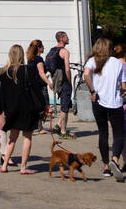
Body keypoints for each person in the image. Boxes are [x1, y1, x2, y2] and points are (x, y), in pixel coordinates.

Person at [83, 36, 126, 180]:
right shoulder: (119, 63)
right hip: (116, 103)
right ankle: (115, 159)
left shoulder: (92, 60)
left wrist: (92, 90)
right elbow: (124, 86)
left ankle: (106, 166)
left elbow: (86, 74)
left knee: (103, 133)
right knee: (119, 134)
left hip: (98, 101)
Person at [0, 44, 39, 174]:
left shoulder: (4, 72)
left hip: (12, 109)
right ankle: (23, 167)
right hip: (27, 108)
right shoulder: (26, 70)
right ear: (21, 55)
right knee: (27, 137)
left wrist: (4, 109)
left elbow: (2, 93)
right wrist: (44, 105)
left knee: (12, 138)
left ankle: (4, 165)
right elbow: (35, 89)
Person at [44, 31, 74, 139]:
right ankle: (63, 131)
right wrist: (70, 82)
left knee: (64, 103)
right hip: (64, 81)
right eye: (66, 36)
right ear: (62, 38)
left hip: (57, 81)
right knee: (65, 106)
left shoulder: (52, 51)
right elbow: (67, 68)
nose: (68, 38)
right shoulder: (64, 51)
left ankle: (58, 125)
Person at [26, 40, 53, 133]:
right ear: (39, 48)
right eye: (42, 46)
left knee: (35, 106)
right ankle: (40, 127)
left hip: (32, 86)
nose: (44, 48)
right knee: (45, 106)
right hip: (40, 86)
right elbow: (41, 73)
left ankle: (37, 126)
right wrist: (49, 82)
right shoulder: (39, 59)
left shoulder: (30, 59)